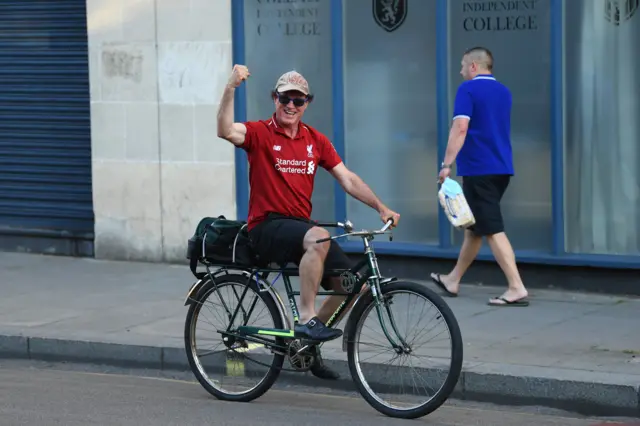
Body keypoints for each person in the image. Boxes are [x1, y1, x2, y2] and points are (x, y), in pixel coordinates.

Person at [216, 65, 401, 379]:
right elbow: (225, 130)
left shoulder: (315, 140)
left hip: (300, 229)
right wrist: (230, 87)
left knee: (351, 285)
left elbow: (348, 179)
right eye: (285, 98)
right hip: (266, 226)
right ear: (275, 99)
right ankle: (306, 319)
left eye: (298, 100)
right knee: (317, 237)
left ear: (307, 104)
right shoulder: (260, 132)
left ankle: (304, 345)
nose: (291, 105)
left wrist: (380, 207)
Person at [431, 47, 529, 307]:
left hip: (478, 169)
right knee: (474, 228)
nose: (461, 71)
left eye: (463, 65)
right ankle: (453, 279)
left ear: (474, 66)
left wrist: (446, 164)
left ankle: (516, 287)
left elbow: (460, 128)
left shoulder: (468, 89)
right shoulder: (504, 91)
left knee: (493, 229)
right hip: (501, 168)